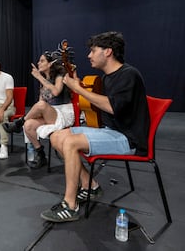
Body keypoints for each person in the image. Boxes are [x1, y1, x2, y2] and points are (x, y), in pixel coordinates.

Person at [40, 31, 150, 222]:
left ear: (108, 51)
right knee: (57, 136)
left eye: (93, 51)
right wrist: (78, 84)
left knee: (71, 143)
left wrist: (78, 88)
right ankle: (90, 185)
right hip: (110, 132)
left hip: (128, 139)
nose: (89, 55)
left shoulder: (129, 75)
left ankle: (70, 205)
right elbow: (95, 103)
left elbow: (111, 106)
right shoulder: (107, 77)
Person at [3, 50, 74, 169]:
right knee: (29, 125)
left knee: (40, 106)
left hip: (63, 112)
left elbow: (56, 92)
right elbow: (41, 101)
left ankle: (19, 122)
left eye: (42, 61)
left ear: (50, 64)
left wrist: (38, 77)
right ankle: (41, 154)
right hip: (50, 112)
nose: (38, 63)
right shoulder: (43, 80)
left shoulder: (59, 76)